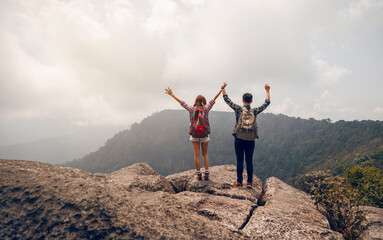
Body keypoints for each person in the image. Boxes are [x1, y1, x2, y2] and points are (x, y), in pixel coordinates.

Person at [165, 86, 223, 180]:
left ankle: (199, 173)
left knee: (196, 154)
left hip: (194, 134)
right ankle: (207, 172)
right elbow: (213, 99)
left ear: (196, 101)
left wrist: (172, 95)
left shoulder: (192, 109)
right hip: (204, 134)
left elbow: (182, 103)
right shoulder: (206, 109)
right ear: (204, 101)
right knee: (205, 154)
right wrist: (221, 90)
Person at [221, 82, 271, 188]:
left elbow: (227, 100)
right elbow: (266, 103)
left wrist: (223, 88)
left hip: (239, 138)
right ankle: (249, 183)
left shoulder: (238, 109)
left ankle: (239, 182)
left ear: (242, 100)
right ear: (251, 101)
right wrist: (267, 90)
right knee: (249, 160)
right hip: (250, 139)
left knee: (240, 161)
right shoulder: (255, 111)